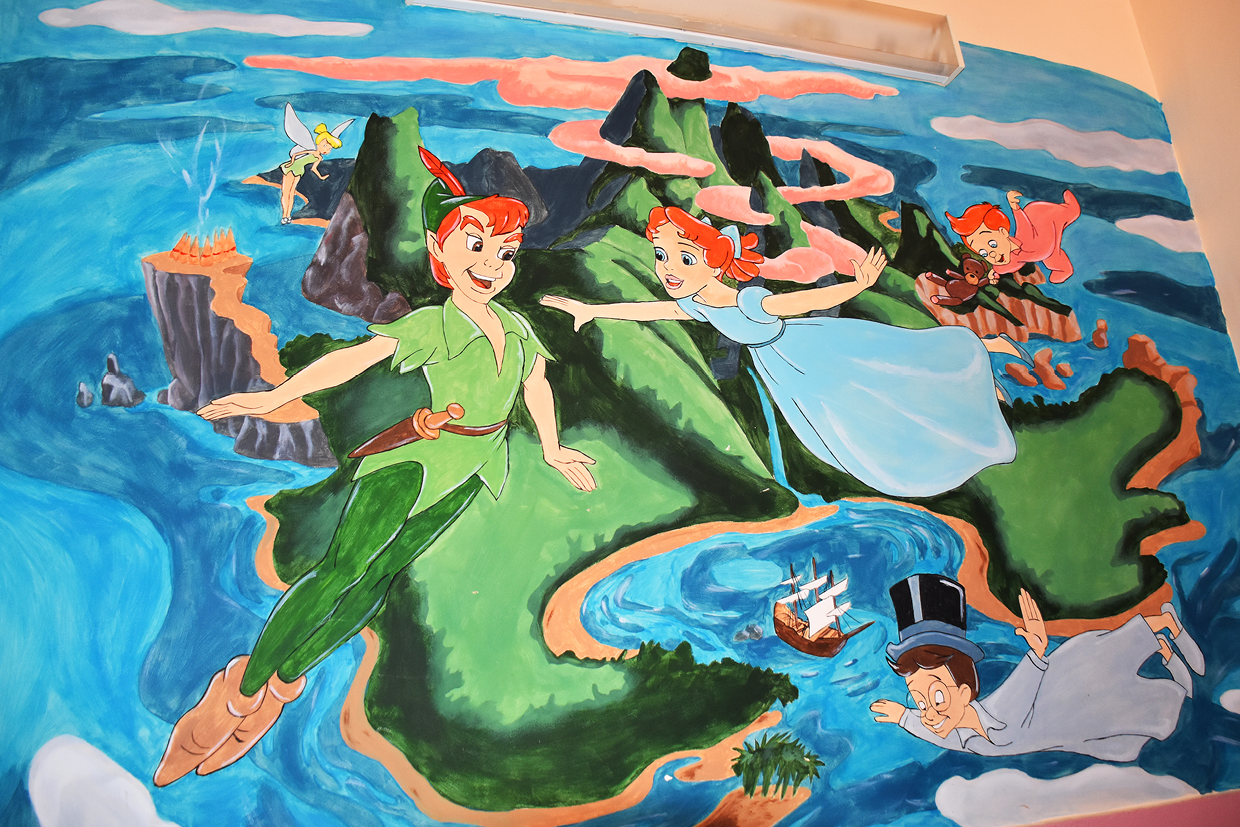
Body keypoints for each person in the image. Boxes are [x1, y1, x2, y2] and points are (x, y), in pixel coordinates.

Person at [153, 146, 596, 786]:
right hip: (415, 461)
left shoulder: (516, 328)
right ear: (441, 255)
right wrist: (275, 398)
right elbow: (355, 359)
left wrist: (552, 447)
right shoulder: (436, 324)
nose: (490, 265)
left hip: (473, 467)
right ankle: (239, 696)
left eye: (503, 253)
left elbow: (537, 385)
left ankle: (282, 682)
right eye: (475, 247)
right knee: (342, 569)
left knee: (379, 578)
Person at [541, 206, 1018, 498]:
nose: (669, 268)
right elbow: (654, 309)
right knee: (847, 427)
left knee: (886, 383)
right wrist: (591, 310)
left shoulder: (750, 300)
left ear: (714, 265)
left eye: (685, 259)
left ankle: (973, 377)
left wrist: (858, 285)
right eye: (663, 256)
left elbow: (805, 301)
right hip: (782, 370)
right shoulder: (697, 302)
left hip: (810, 349)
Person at [869, 574, 1203, 761]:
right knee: (1132, 710)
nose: (929, 713)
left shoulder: (1000, 712)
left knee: (1112, 655)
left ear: (964, 690)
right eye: (920, 701)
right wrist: (904, 716)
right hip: (1072, 722)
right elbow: (935, 733)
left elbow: (1023, 686)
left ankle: (1166, 624)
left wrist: (1037, 653)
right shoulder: (964, 738)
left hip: (1066, 690)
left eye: (937, 698)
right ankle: (1166, 657)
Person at [946, 190, 1080, 284]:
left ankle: (1070, 209)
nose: (991, 254)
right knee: (1051, 256)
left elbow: (1024, 227)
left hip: (1044, 218)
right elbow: (1001, 268)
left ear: (1004, 233)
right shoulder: (1009, 260)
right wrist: (993, 273)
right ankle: (1063, 268)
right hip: (1044, 249)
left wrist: (1015, 208)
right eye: (983, 253)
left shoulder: (1026, 240)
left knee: (1067, 214)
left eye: (993, 244)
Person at [279, 103, 353, 225]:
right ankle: (284, 215)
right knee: (286, 192)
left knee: (291, 193)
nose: (327, 150)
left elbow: (314, 169)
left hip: (299, 171)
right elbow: (295, 155)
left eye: (329, 149)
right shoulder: (311, 150)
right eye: (325, 146)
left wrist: (321, 177)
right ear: (319, 142)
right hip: (291, 168)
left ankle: (287, 216)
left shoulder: (318, 157)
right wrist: (290, 163)